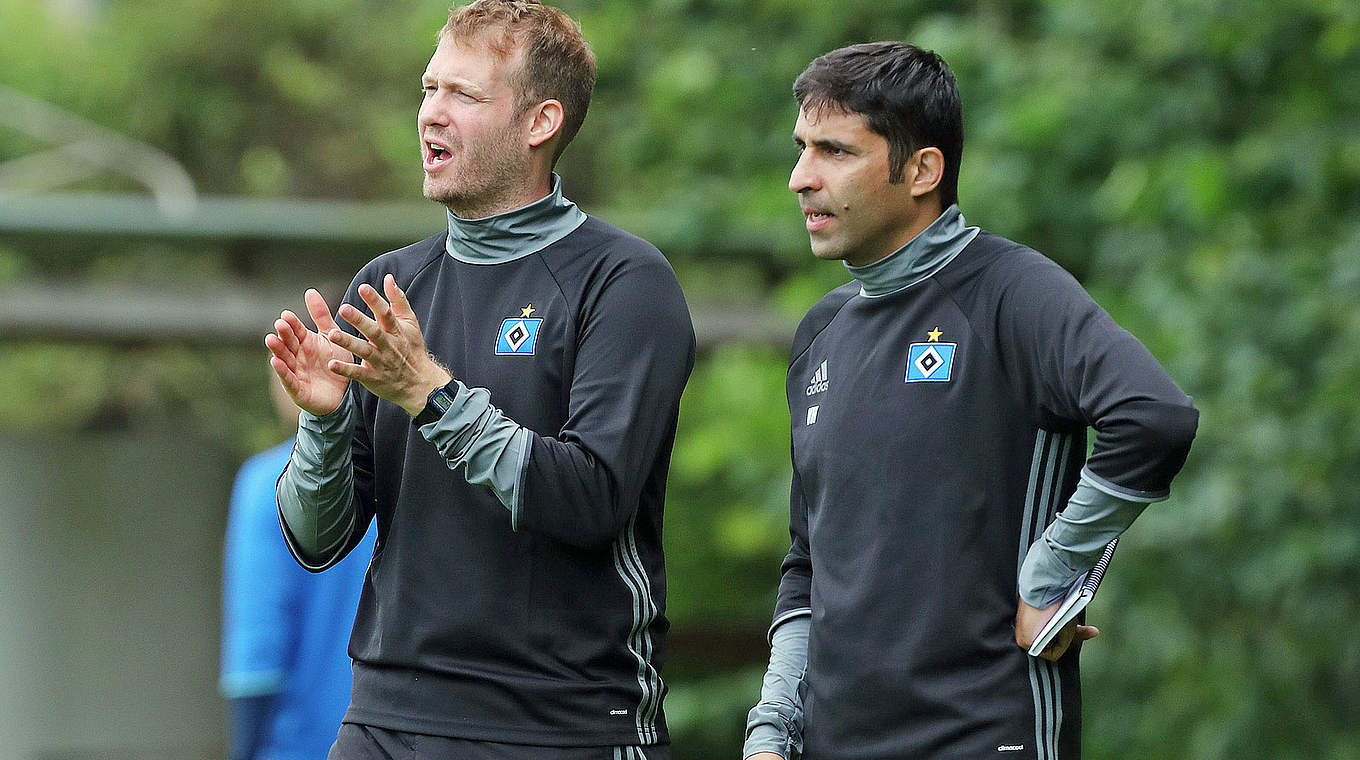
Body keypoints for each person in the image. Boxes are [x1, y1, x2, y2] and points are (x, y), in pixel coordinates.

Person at [742, 42, 1199, 760]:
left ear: (922, 169)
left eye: (834, 151)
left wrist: (1054, 572)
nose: (801, 178)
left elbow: (1154, 416)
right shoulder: (820, 332)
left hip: (984, 737)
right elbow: (808, 562)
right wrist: (772, 725)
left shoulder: (1012, 293)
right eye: (802, 149)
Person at [264, 2, 694, 758]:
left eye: (463, 95)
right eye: (429, 90)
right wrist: (324, 423)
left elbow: (590, 498)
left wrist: (431, 395)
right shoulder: (389, 283)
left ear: (539, 123)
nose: (431, 113)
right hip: (383, 720)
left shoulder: (625, 282)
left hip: (561, 724)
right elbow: (316, 541)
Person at [219, 374, 377, 760]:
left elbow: (257, 658)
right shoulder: (404, 480)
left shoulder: (266, 483)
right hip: (390, 739)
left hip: (297, 746)